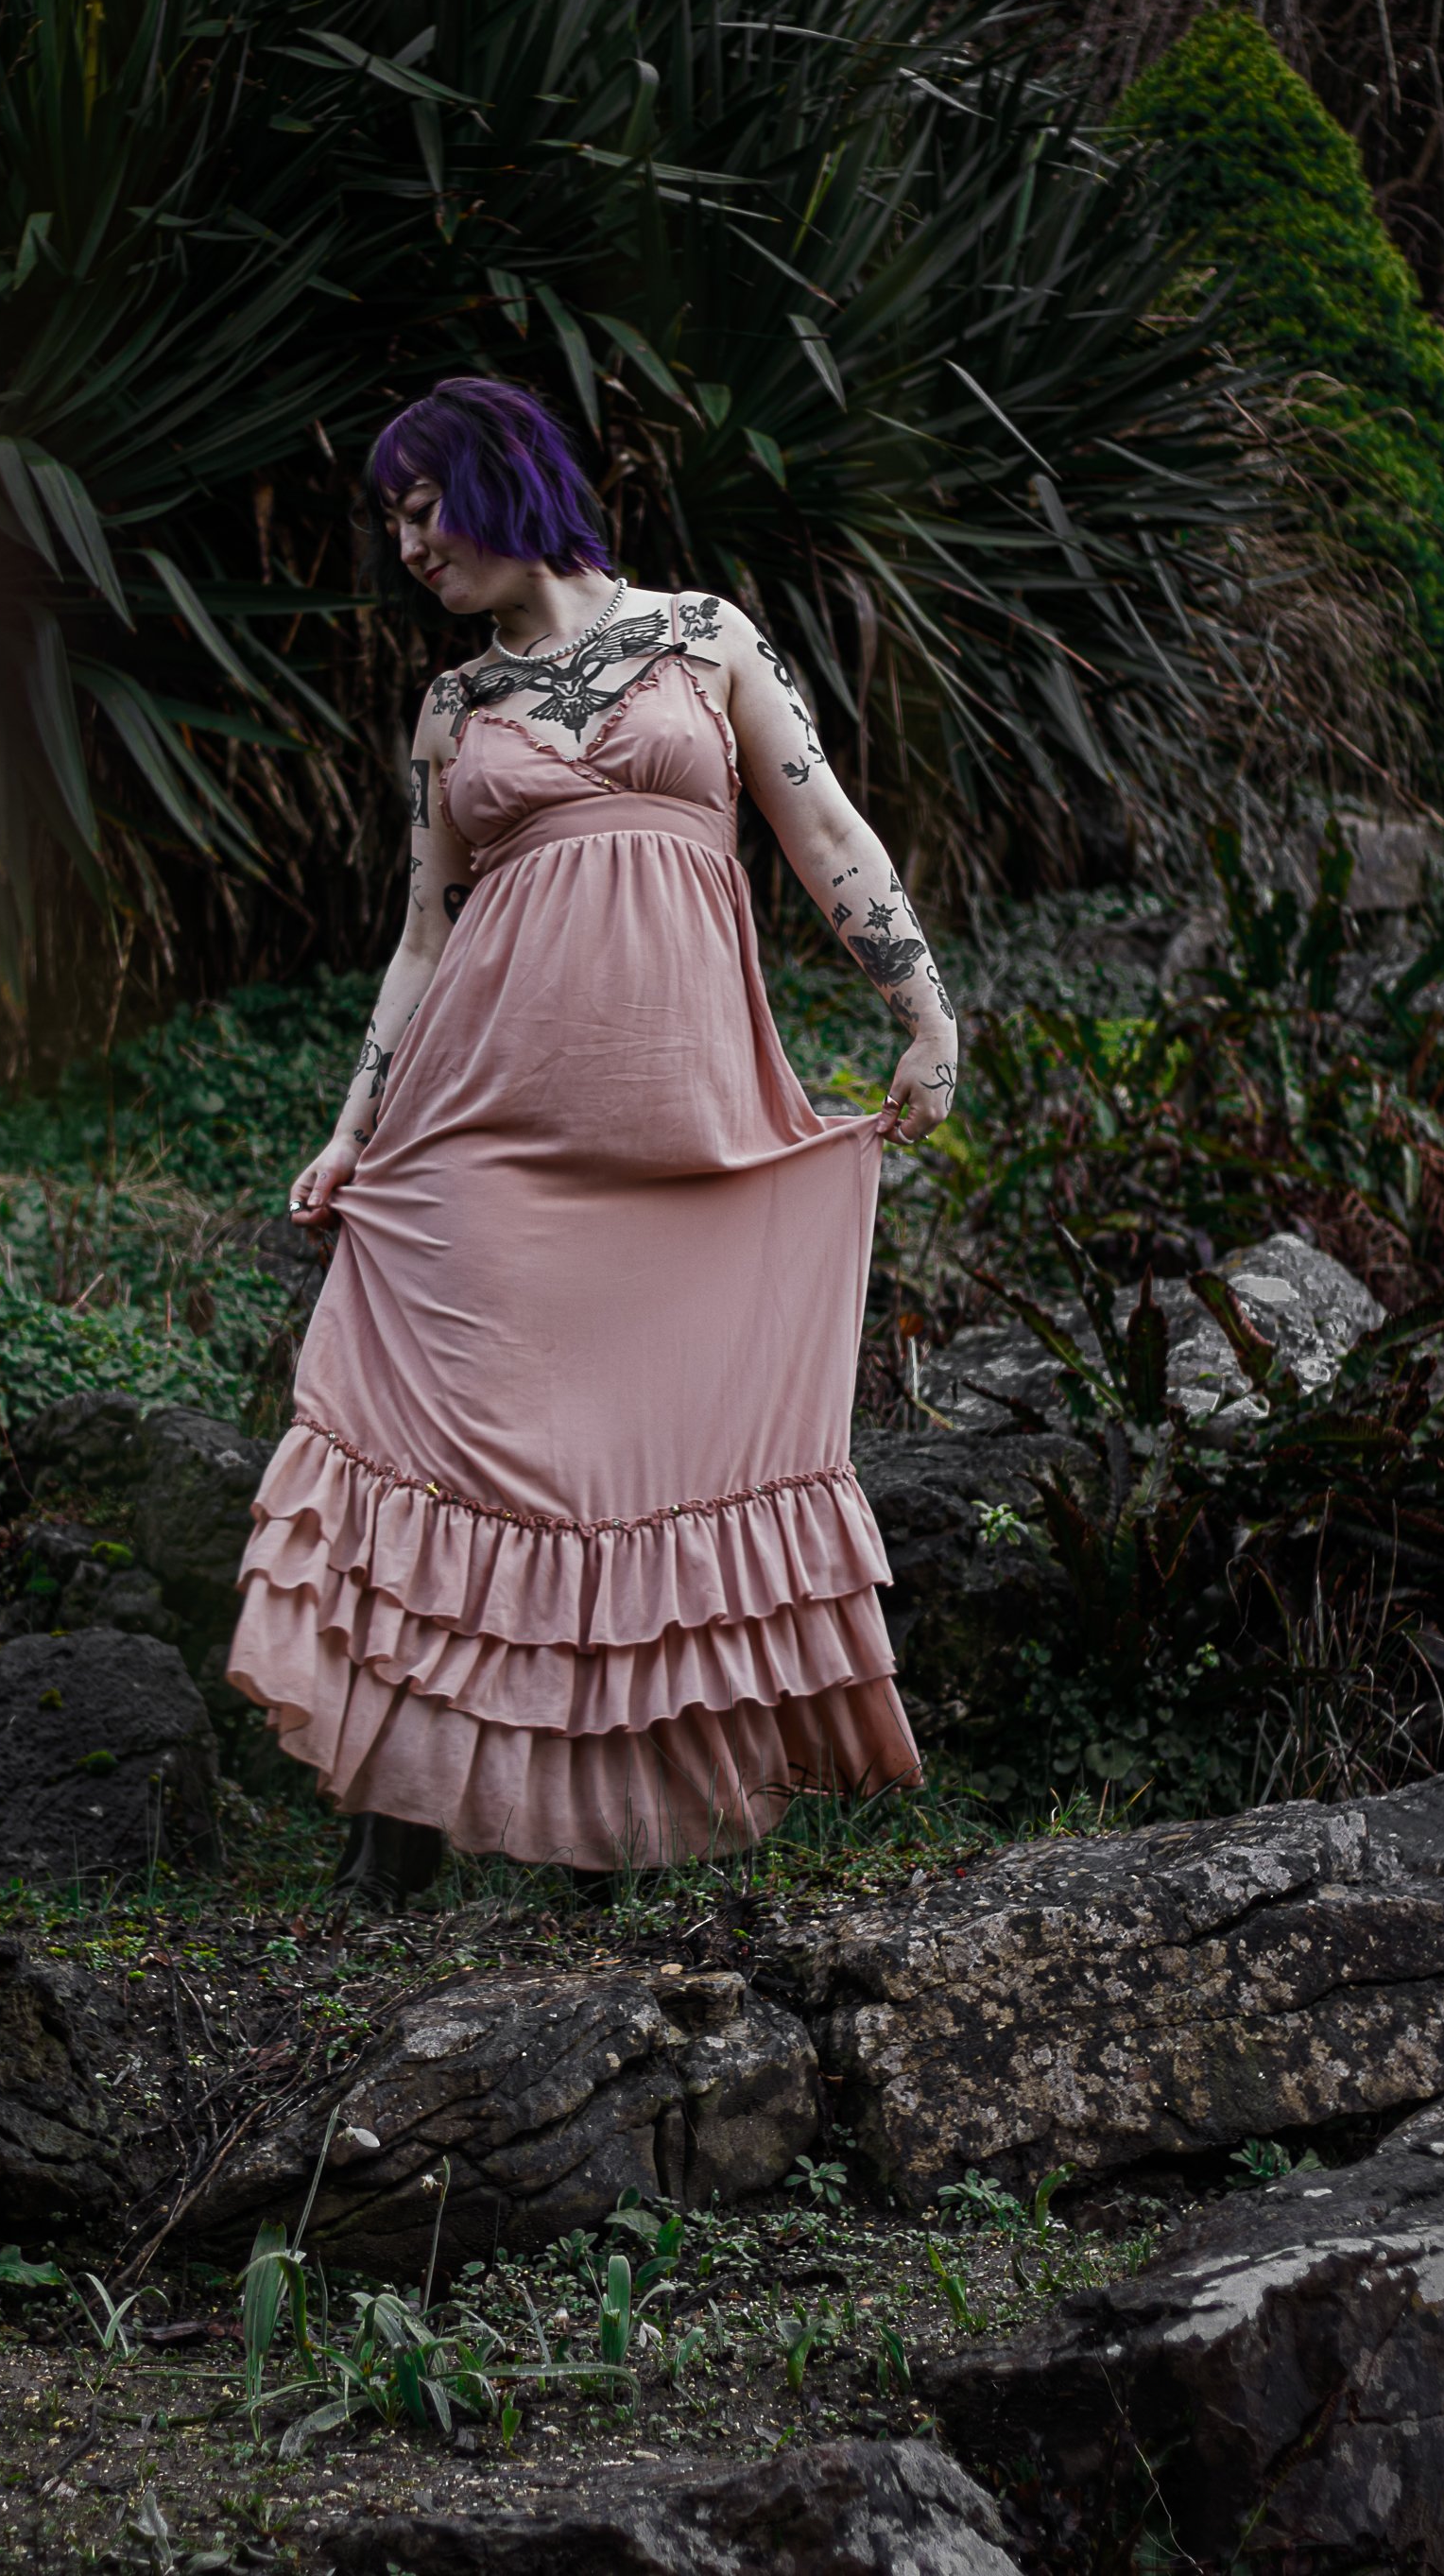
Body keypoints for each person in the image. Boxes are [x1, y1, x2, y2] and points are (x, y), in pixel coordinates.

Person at [226, 375, 956, 1902]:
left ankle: (601, 1850)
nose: (410, 549)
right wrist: (353, 1128)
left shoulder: (705, 634)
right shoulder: (453, 712)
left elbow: (824, 832)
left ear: (501, 480)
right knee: (446, 1451)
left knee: (634, 1470)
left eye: (423, 511)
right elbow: (424, 944)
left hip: (681, 1144)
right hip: (476, 1135)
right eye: (394, 526)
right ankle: (395, 1840)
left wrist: (925, 1010)